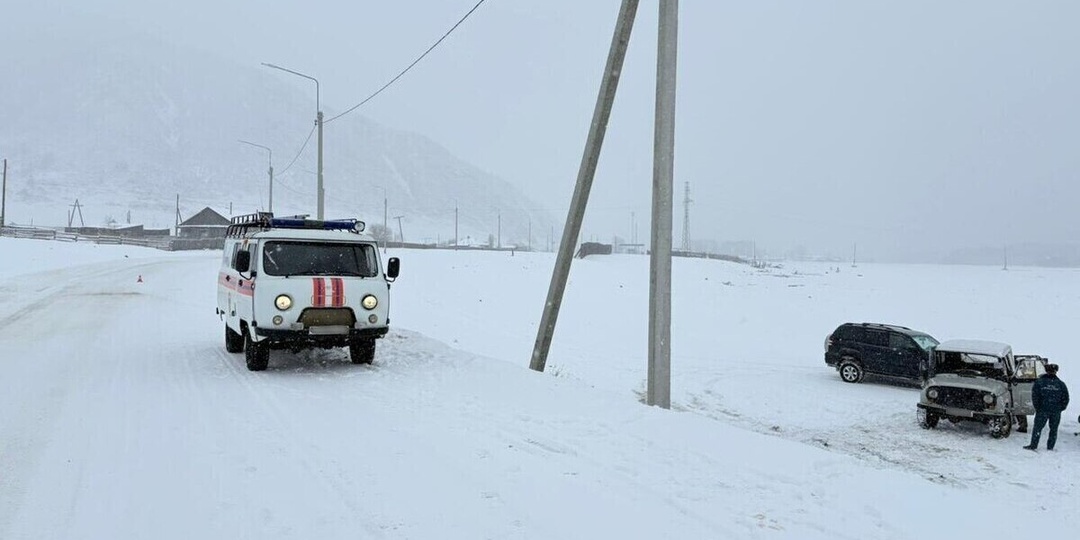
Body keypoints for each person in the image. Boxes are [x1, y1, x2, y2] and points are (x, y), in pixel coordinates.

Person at [1023, 363, 1070, 451]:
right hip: (1055, 411)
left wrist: (1038, 407)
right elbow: (1066, 398)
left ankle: (1033, 445)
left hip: (1043, 410)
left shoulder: (1040, 382)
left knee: (1038, 428)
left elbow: (1035, 396)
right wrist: (1060, 408)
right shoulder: (1060, 384)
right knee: (1053, 429)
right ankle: (1050, 447)